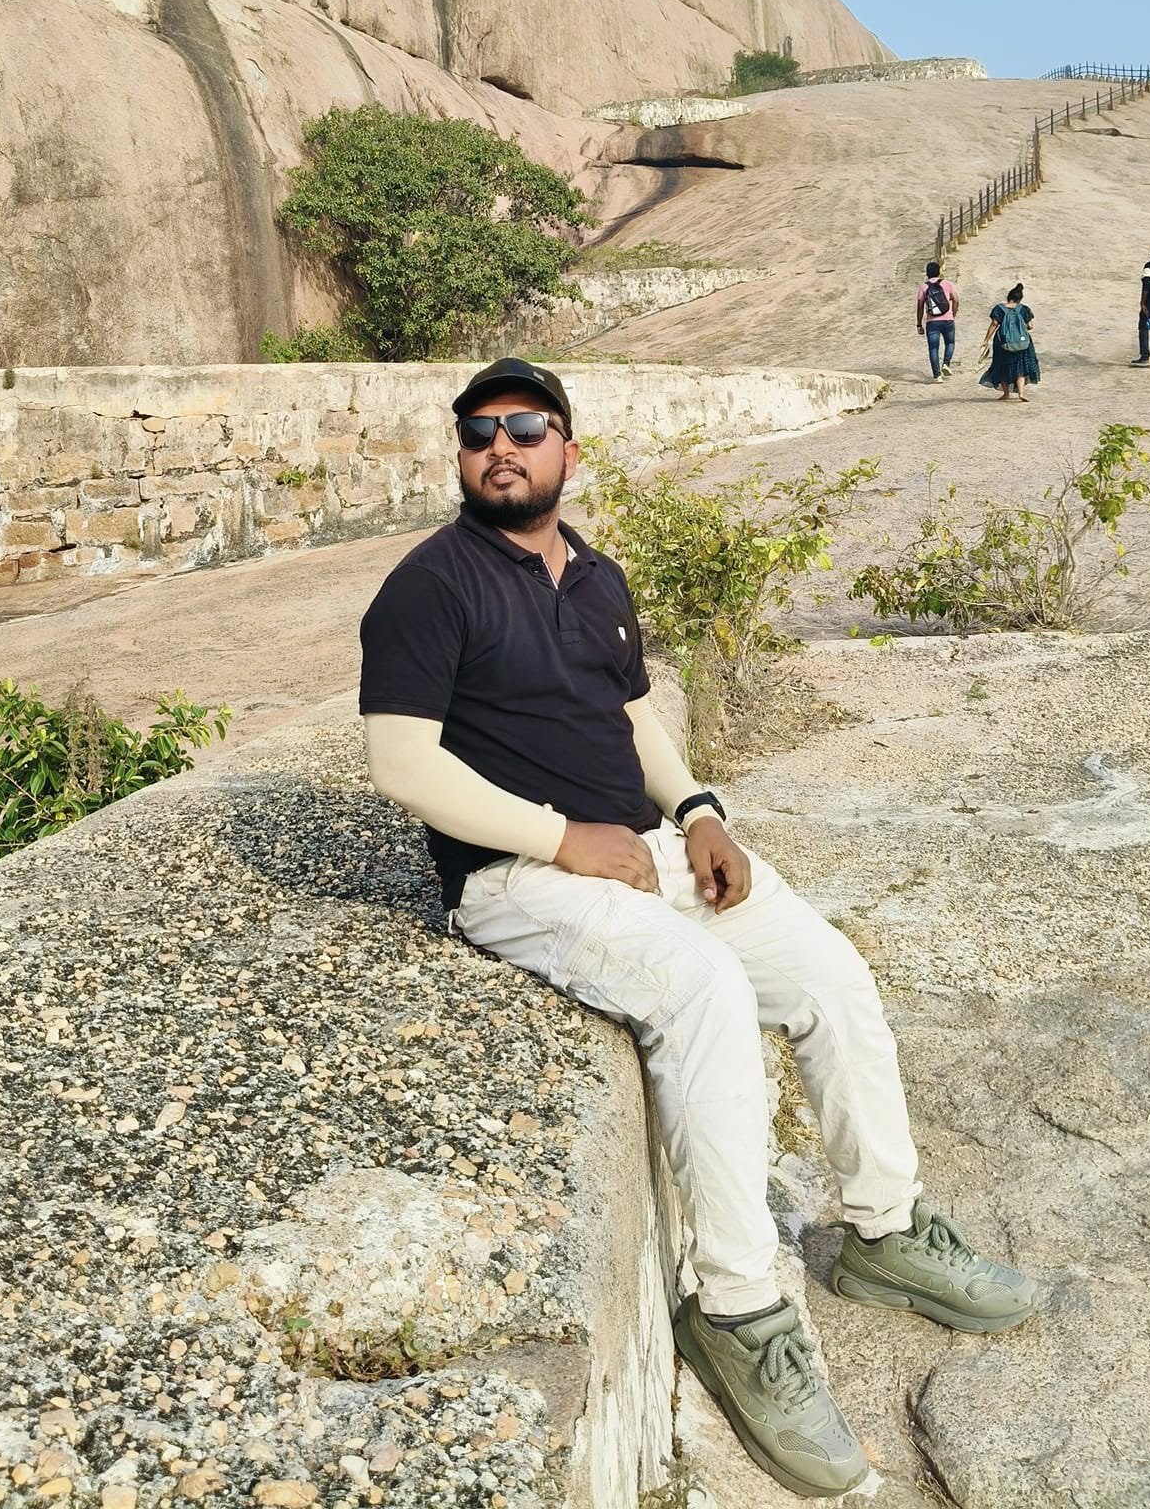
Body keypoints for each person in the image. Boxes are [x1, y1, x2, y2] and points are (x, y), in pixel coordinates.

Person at [359, 355, 1037, 1499]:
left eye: (526, 427)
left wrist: (703, 810)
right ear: (461, 454)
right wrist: (558, 836)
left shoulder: (596, 574)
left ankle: (883, 1231)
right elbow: (399, 762)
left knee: (830, 972)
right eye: (478, 431)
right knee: (705, 995)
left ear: (570, 448)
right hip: (520, 880)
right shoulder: (432, 584)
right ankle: (738, 1309)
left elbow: (632, 717)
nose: (501, 446)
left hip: (650, 849)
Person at [979, 283, 1039, 401]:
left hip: (1003, 342)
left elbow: (994, 324)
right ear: (1020, 299)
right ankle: (1021, 393)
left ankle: (1006, 394)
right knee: (1020, 367)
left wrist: (986, 340)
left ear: (1008, 297)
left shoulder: (999, 309)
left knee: (1002, 366)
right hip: (1022, 343)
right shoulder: (1024, 309)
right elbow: (1030, 326)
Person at [916, 260, 959, 380]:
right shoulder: (947, 284)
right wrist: (953, 314)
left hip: (932, 322)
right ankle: (946, 363)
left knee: (933, 348)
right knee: (950, 343)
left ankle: (937, 375)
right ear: (939, 272)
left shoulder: (924, 286)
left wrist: (919, 324)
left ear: (927, 273)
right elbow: (956, 300)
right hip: (948, 319)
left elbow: (920, 305)